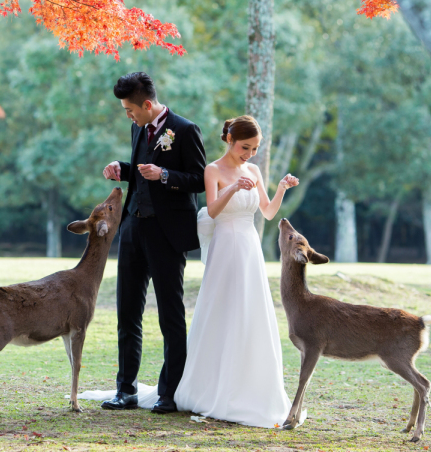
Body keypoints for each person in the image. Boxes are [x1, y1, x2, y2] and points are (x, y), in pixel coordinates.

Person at [84, 114, 301, 428]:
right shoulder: (213, 169)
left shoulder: (253, 170)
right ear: (229, 139)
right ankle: (206, 386)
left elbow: (266, 213)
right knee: (221, 312)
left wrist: (281, 187)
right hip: (226, 246)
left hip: (249, 249)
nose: (249, 155)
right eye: (245, 147)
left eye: (254, 149)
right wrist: (233, 188)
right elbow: (211, 209)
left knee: (251, 314)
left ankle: (249, 386)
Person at [100, 72, 206, 414]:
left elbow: (199, 180)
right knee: (126, 313)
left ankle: (169, 393)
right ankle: (125, 390)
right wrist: (123, 167)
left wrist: (164, 176)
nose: (127, 116)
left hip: (168, 234)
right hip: (132, 229)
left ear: (147, 104)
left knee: (170, 316)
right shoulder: (137, 127)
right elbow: (141, 170)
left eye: (130, 110)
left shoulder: (185, 130)